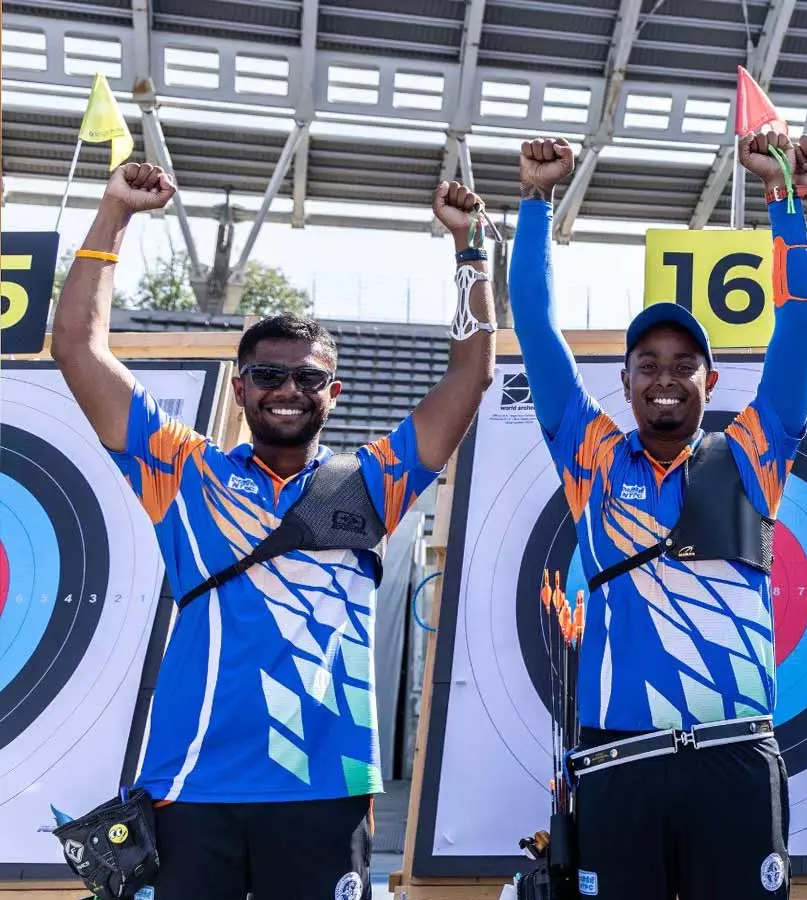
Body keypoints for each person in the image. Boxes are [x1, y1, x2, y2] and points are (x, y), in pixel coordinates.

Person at [49, 162, 499, 900]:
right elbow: (77, 347)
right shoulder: (184, 472)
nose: (288, 390)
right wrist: (114, 214)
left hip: (326, 792)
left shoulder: (374, 481)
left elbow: (470, 377)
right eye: (268, 375)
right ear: (240, 388)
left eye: (309, 379)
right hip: (192, 787)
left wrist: (469, 251)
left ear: (334, 393)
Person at [507, 126, 807, 899]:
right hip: (618, 763)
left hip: (735, 760)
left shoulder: (755, 452)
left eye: (683, 365)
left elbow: (797, 321)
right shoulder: (592, 457)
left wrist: (782, 199)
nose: (665, 378)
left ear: (710, 380)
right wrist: (534, 201)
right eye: (648, 365)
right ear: (625, 382)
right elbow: (534, 326)